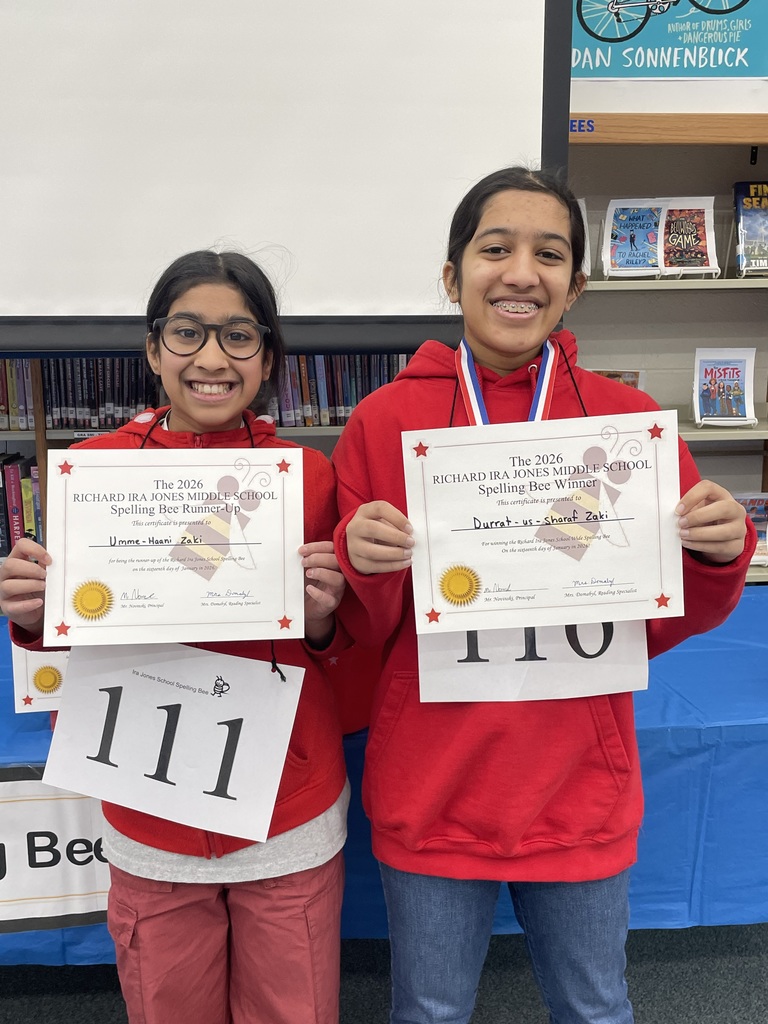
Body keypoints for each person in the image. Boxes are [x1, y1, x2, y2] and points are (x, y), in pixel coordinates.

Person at [331, 167, 755, 1024]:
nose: (521, 273)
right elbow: (362, 632)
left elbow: (660, 620)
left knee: (595, 1010)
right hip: (433, 788)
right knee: (429, 1012)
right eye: (496, 249)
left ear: (576, 286)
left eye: (549, 254)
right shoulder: (382, 421)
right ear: (452, 275)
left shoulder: (624, 422)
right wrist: (361, 564)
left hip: (578, 788)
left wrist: (717, 555)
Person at [0, 251, 351, 1024]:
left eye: (239, 336)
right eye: (188, 333)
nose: (212, 358)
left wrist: (324, 618)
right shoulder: (92, 473)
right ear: (154, 350)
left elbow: (337, 648)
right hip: (150, 807)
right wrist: (32, 614)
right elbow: (73, 633)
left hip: (285, 807)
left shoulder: (308, 475)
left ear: (268, 358)